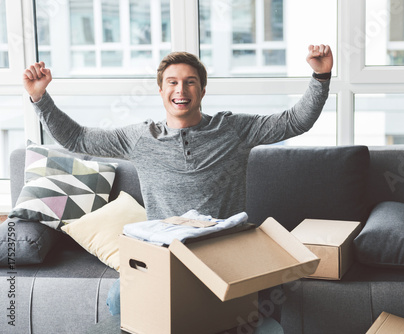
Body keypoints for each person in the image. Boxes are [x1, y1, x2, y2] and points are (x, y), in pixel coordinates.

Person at [23, 45, 333, 329]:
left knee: (266, 317)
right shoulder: (140, 139)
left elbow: (295, 121)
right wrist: (40, 98)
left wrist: (320, 76)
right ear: (160, 90)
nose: (180, 89)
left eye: (190, 81)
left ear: (202, 89)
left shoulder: (233, 129)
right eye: (172, 82)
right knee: (118, 301)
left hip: (225, 248)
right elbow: (78, 139)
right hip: (165, 252)